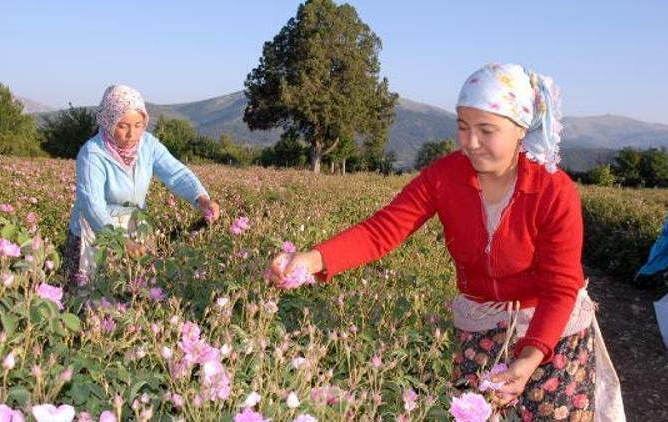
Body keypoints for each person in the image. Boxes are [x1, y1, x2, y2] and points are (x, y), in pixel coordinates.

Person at [268, 64, 624, 421]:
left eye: (486, 130)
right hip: (481, 327)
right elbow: (383, 230)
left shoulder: (553, 190)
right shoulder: (444, 177)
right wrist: (313, 260)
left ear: (521, 129)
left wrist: (530, 356)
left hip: (553, 333)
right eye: (463, 127)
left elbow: (561, 286)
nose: (470, 142)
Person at [62, 85, 219, 285]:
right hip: (96, 232)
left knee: (136, 292)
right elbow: (93, 207)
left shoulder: (148, 145)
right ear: (108, 122)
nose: (132, 134)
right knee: (90, 296)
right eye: (123, 126)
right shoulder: (92, 154)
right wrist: (120, 242)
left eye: (138, 125)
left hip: (136, 229)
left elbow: (176, 173)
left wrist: (202, 199)